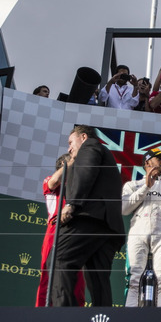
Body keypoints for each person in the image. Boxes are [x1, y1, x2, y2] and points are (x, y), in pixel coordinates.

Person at [51, 125, 125, 307]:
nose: (69, 148)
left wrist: (72, 203)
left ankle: (63, 318)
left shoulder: (90, 146)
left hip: (89, 218)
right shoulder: (103, 154)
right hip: (108, 227)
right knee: (97, 278)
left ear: (83, 137)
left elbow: (86, 172)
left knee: (61, 258)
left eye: (70, 142)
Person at [122, 148, 161, 307]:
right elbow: (123, 209)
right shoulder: (133, 185)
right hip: (138, 230)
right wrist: (146, 187)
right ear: (147, 162)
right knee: (133, 280)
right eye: (159, 158)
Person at [35, 154, 85, 307]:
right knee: (48, 275)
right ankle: (42, 313)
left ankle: (76, 315)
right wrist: (72, 161)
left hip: (75, 234)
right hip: (55, 231)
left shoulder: (80, 188)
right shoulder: (52, 181)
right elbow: (54, 182)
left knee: (77, 279)